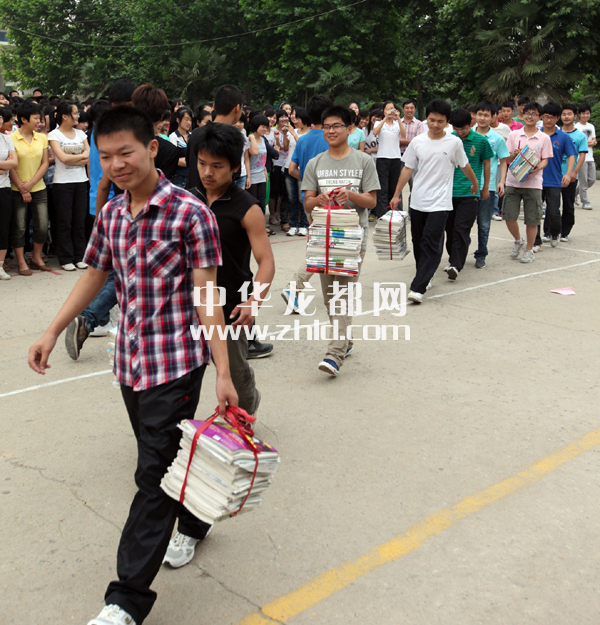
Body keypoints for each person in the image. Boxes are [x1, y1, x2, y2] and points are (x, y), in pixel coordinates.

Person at [28, 105, 238, 625]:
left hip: (178, 362)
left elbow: (207, 295)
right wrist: (53, 330)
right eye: (106, 157)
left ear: (152, 149)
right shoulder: (112, 214)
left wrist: (224, 372)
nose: (117, 164)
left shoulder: (190, 212)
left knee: (151, 473)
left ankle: (125, 599)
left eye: (125, 152)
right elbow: (95, 274)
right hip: (130, 361)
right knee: (162, 458)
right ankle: (195, 520)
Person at [301, 105, 379, 376]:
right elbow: (307, 203)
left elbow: (372, 201)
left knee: (341, 294)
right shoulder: (315, 163)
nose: (330, 131)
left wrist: (352, 196)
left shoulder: (363, 161)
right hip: (322, 239)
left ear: (350, 128)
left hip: (353, 240)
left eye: (336, 126)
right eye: (326, 126)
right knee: (329, 296)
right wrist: (318, 200)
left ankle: (334, 354)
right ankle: (345, 341)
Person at [390, 99, 478, 303]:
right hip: (418, 200)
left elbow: (464, 165)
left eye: (440, 121)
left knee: (431, 243)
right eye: (432, 120)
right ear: (426, 119)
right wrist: (396, 194)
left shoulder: (454, 143)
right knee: (418, 242)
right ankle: (425, 274)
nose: (435, 125)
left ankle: (418, 287)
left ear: (447, 122)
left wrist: (474, 183)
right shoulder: (417, 142)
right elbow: (408, 168)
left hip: (440, 203)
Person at [283, 94, 332, 310]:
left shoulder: (303, 139)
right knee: (324, 248)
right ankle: (294, 287)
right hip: (328, 201)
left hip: (309, 200)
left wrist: (308, 181)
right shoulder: (332, 138)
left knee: (324, 246)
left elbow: (292, 169)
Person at [444, 108, 493, 280]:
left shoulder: (481, 141)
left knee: (462, 229)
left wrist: (485, 187)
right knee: (450, 229)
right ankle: (452, 258)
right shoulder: (448, 140)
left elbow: (487, 164)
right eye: (456, 129)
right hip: (448, 192)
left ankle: (456, 265)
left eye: (463, 129)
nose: (460, 133)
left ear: (470, 124)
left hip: (470, 193)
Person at [502, 101, 552, 262]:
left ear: (539, 117)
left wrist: (536, 168)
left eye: (534, 114)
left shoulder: (544, 137)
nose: (530, 116)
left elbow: (545, 159)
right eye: (527, 113)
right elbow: (506, 157)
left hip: (534, 184)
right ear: (522, 115)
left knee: (532, 219)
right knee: (509, 216)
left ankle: (529, 250)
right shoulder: (514, 135)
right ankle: (518, 240)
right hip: (513, 181)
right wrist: (514, 154)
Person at [48, 101, 90, 271]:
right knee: (64, 222)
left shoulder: (80, 134)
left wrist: (72, 157)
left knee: (80, 221)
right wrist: (79, 157)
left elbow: (88, 156)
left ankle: (80, 256)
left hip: (81, 181)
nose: (78, 115)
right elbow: (62, 158)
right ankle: (66, 258)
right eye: (75, 113)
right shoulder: (54, 135)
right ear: (65, 116)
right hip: (62, 184)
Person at [9, 101, 50, 275]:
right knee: (19, 227)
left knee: (42, 225)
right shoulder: (11, 138)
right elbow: (11, 166)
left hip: (38, 187)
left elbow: (45, 162)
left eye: (40, 119)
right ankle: (21, 262)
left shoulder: (42, 138)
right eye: (36, 118)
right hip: (16, 189)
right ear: (24, 120)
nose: (39, 122)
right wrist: (22, 188)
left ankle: (36, 258)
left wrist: (31, 184)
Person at [534, 102, 576, 249]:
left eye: (552, 117)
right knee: (535, 212)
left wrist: (568, 174)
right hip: (535, 180)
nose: (548, 120)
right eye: (546, 117)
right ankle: (536, 240)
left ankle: (554, 233)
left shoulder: (563, 137)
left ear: (557, 118)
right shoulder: (536, 134)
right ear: (541, 117)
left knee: (553, 212)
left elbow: (571, 156)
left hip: (554, 180)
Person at [473, 101, 509, 268]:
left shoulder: (497, 139)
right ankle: (459, 253)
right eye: (480, 114)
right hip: (466, 187)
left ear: (493, 117)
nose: (482, 118)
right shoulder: (467, 135)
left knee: (484, 223)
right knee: (462, 223)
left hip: (488, 187)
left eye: (486, 115)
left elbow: (503, 161)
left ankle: (481, 254)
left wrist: (501, 181)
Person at [186, 84, 243, 190]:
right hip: (218, 198)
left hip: (192, 196)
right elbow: (235, 174)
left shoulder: (195, 133)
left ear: (214, 106)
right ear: (237, 108)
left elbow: (188, 163)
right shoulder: (233, 137)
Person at [558, 104, 588, 241]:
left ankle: (565, 232)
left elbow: (581, 156)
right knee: (552, 204)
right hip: (555, 175)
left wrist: (574, 172)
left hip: (569, 175)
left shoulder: (580, 136)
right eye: (564, 114)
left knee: (568, 204)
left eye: (569, 114)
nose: (566, 117)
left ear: (575, 116)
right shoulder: (556, 133)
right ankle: (551, 231)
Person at [372, 101, 406, 217]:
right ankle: (382, 213)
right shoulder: (379, 123)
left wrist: (398, 118)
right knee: (382, 187)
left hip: (396, 157)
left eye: (392, 109)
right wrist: (385, 118)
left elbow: (403, 134)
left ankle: (394, 212)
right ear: (383, 111)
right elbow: (375, 132)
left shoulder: (397, 123)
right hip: (382, 157)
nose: (390, 111)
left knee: (394, 186)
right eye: (388, 109)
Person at [284, 106, 310, 236]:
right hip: (288, 167)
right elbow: (285, 147)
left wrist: (294, 134)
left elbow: (302, 146)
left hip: (302, 169)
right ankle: (293, 224)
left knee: (301, 198)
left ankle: (304, 224)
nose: (295, 120)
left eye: (298, 118)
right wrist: (285, 134)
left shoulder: (309, 134)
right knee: (292, 198)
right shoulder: (292, 131)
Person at [0, 106, 18, 280]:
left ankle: (0, 265)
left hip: (4, 188)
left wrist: (5, 166)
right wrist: (4, 165)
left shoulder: (6, 138)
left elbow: (14, 163)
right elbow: (9, 163)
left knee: (3, 228)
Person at [268, 109, 290, 230]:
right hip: (275, 164)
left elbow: (286, 148)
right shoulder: (272, 131)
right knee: (274, 191)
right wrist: (278, 139)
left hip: (285, 164)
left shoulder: (290, 131)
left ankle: (278, 214)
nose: (284, 119)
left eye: (286, 116)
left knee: (282, 192)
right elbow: (275, 148)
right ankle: (272, 215)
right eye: (281, 117)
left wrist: (286, 134)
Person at [575, 103, 596, 210]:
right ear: (579, 114)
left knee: (592, 180)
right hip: (581, 158)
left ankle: (575, 192)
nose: (585, 115)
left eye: (587, 113)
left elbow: (594, 141)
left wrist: (588, 142)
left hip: (590, 157)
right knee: (583, 181)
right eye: (583, 113)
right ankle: (585, 202)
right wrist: (589, 142)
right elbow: (578, 143)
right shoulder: (576, 127)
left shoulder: (591, 126)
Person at [168, 105, 193, 188]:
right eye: (186, 119)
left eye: (190, 120)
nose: (189, 122)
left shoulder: (192, 135)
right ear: (178, 120)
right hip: (179, 177)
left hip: (192, 175)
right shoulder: (173, 136)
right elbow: (174, 159)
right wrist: (192, 161)